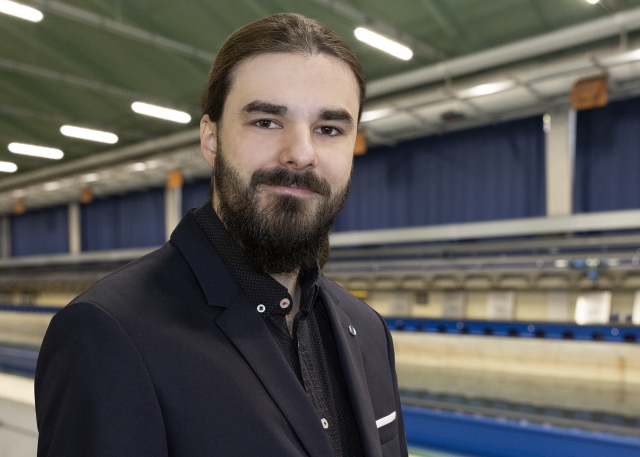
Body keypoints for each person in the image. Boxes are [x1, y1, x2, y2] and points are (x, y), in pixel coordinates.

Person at [35, 13, 407, 457]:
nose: (301, 153)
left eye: (329, 129)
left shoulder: (366, 331)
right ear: (211, 140)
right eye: (267, 121)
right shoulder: (110, 335)